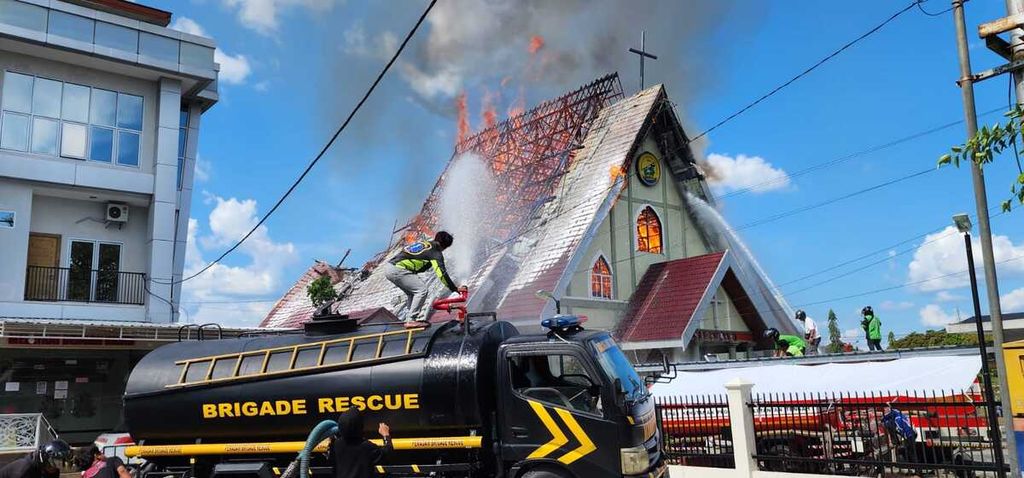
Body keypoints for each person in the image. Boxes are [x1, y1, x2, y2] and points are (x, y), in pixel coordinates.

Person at [385, 231, 465, 328]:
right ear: (444, 246)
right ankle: (411, 320)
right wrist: (454, 289)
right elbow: (442, 275)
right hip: (398, 269)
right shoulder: (436, 252)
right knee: (421, 290)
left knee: (412, 293)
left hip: (390, 267)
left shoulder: (426, 244)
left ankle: (410, 318)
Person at [329, 409, 392, 478]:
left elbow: (330, 459)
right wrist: (386, 435)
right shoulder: (366, 447)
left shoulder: (336, 444)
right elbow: (387, 454)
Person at [0, 440, 71, 478]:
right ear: (45, 459)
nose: (56, 468)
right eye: (54, 463)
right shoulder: (24, 470)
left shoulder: (52, 470)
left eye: (62, 463)